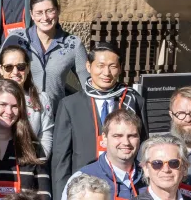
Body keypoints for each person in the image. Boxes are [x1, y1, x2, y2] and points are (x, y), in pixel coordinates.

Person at [48, 44, 143, 189]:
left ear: (120, 68)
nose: (106, 72)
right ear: (88, 66)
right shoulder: (70, 104)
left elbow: (144, 146)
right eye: (100, 65)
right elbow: (61, 156)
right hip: (82, 185)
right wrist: (60, 198)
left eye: (112, 66)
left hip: (126, 184)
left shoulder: (132, 100)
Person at [56, 106, 143, 200]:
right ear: (104, 138)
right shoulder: (82, 179)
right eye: (117, 136)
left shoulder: (152, 176)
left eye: (132, 136)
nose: (126, 142)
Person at [25, 0, 88, 108]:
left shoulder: (73, 44)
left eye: (50, 11)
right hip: (23, 116)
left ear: (58, 11)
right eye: (39, 12)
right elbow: (2, 77)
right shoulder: (19, 39)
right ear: (31, 14)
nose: (45, 17)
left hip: (56, 116)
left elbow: (88, 84)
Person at [0, 43, 52, 157]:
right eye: (9, 67)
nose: (15, 72)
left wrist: (37, 163)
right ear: (0, 69)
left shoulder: (42, 99)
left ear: (28, 68)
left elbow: (46, 137)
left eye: (20, 67)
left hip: (30, 164)